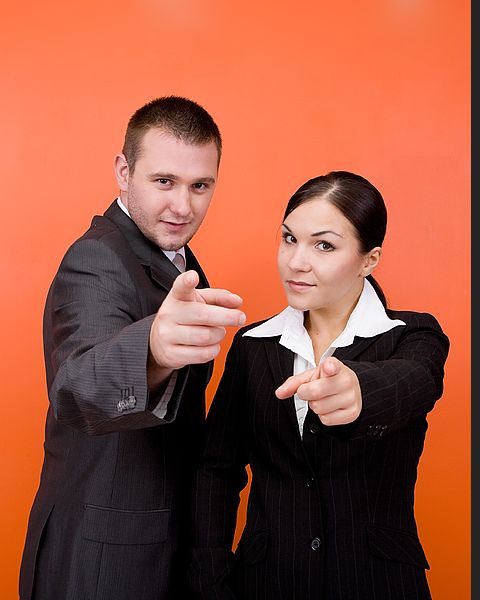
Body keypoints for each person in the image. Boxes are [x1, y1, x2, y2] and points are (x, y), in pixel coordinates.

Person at [19, 96, 246, 600]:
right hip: (102, 564)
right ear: (124, 171)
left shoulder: (173, 257)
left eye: (200, 186)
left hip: (154, 550)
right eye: (164, 182)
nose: (182, 206)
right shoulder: (95, 259)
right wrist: (152, 351)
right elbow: (77, 389)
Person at [189, 171, 450, 599]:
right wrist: (210, 584)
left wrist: (361, 389)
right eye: (290, 239)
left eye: (324, 245)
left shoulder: (412, 335)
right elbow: (216, 472)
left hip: (377, 584)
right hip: (267, 583)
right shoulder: (253, 347)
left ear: (370, 260)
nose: (296, 262)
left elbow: (416, 381)